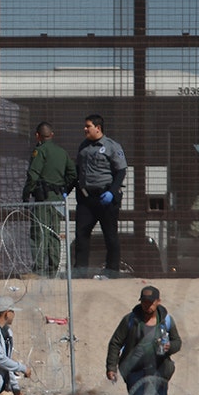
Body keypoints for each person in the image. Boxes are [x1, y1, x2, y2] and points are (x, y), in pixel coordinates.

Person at [106, 285, 181, 395]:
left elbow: (178, 341)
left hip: (159, 370)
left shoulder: (166, 321)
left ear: (158, 302)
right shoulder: (130, 320)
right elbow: (115, 342)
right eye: (144, 302)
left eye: (150, 302)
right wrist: (111, 367)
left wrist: (170, 347)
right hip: (135, 371)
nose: (147, 306)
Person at [73, 114, 127, 276]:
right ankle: (81, 271)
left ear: (98, 128)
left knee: (110, 236)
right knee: (81, 235)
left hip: (106, 197)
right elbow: (78, 171)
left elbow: (121, 170)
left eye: (88, 126)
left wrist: (111, 192)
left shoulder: (111, 146)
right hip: (87, 198)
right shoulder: (83, 146)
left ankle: (112, 271)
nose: (85, 129)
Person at [21, 122, 76, 277]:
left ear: (37, 135)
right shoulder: (62, 152)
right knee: (54, 233)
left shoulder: (40, 151)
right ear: (52, 134)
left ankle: (38, 270)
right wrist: (63, 190)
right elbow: (73, 174)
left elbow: (33, 175)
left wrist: (26, 194)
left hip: (43, 199)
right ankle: (53, 270)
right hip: (57, 199)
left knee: (39, 233)